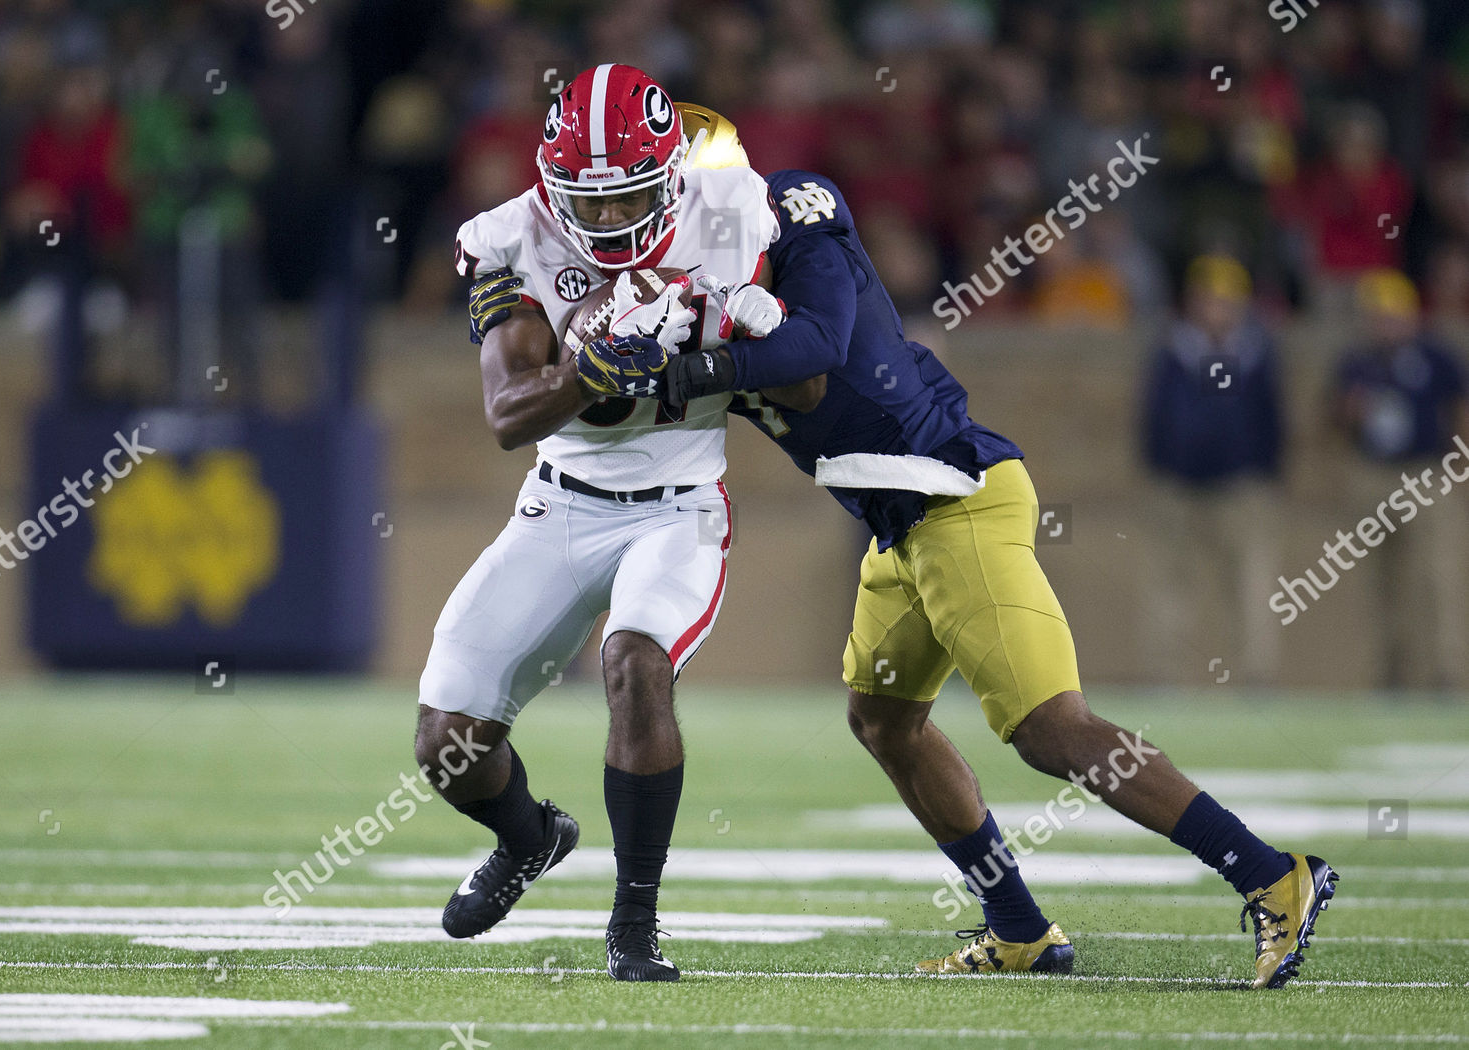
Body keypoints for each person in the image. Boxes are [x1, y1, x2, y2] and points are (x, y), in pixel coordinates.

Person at [469, 132, 1338, 989]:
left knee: (1051, 729)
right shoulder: (692, 284)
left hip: (954, 494)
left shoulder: (795, 217)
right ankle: (1020, 930)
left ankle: (1268, 874)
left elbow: (811, 354)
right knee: (884, 719)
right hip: (896, 519)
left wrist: (679, 367)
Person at [419, 65, 785, 983]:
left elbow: (792, 359)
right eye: (592, 201)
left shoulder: (733, 204)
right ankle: (530, 837)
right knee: (448, 743)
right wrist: (596, 369)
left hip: (679, 501)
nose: (612, 221)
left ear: (669, 172)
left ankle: (633, 921)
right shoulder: (509, 238)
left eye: (628, 197)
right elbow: (508, 414)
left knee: (635, 662)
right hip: (561, 495)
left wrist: (727, 336)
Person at [1140, 255, 1285, 684]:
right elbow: (1152, 417)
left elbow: (1271, 420)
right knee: (1168, 584)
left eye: (1224, 300)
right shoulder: (1173, 351)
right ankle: (1165, 675)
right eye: (1207, 299)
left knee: (1253, 584)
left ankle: (1259, 674)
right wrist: (1160, 467)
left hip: (1242, 487)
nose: (1214, 309)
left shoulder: (1256, 353)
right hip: (1178, 486)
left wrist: (1264, 473)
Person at [1329, 269, 1469, 689]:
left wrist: (1457, 466)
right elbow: (1334, 420)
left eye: (1393, 315)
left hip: (1425, 474)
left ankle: (1445, 674)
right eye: (1378, 315)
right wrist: (1348, 413)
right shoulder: (1357, 361)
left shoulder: (1436, 356)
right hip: (1373, 475)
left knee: (1437, 579)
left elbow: (1459, 408)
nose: (1385, 323)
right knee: (1379, 584)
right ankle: (1391, 678)